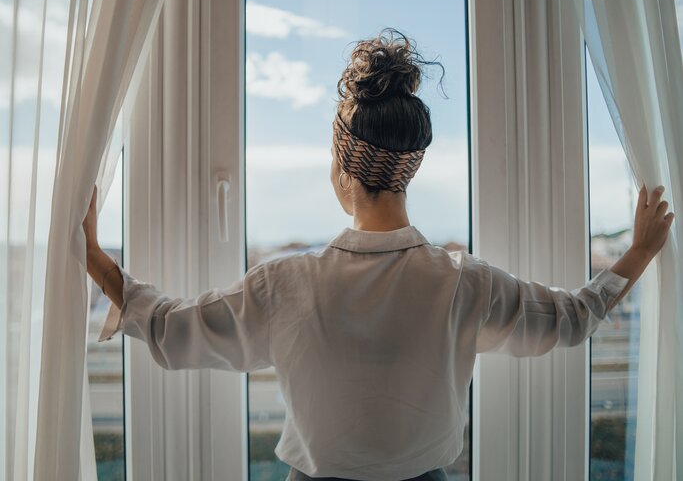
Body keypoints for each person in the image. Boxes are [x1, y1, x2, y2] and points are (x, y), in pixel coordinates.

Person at [83, 29, 674, 481]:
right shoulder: (464, 284)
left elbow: (169, 326)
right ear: (410, 170)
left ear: (341, 168)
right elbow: (571, 319)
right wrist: (639, 253)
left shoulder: (285, 283)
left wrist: (95, 259)